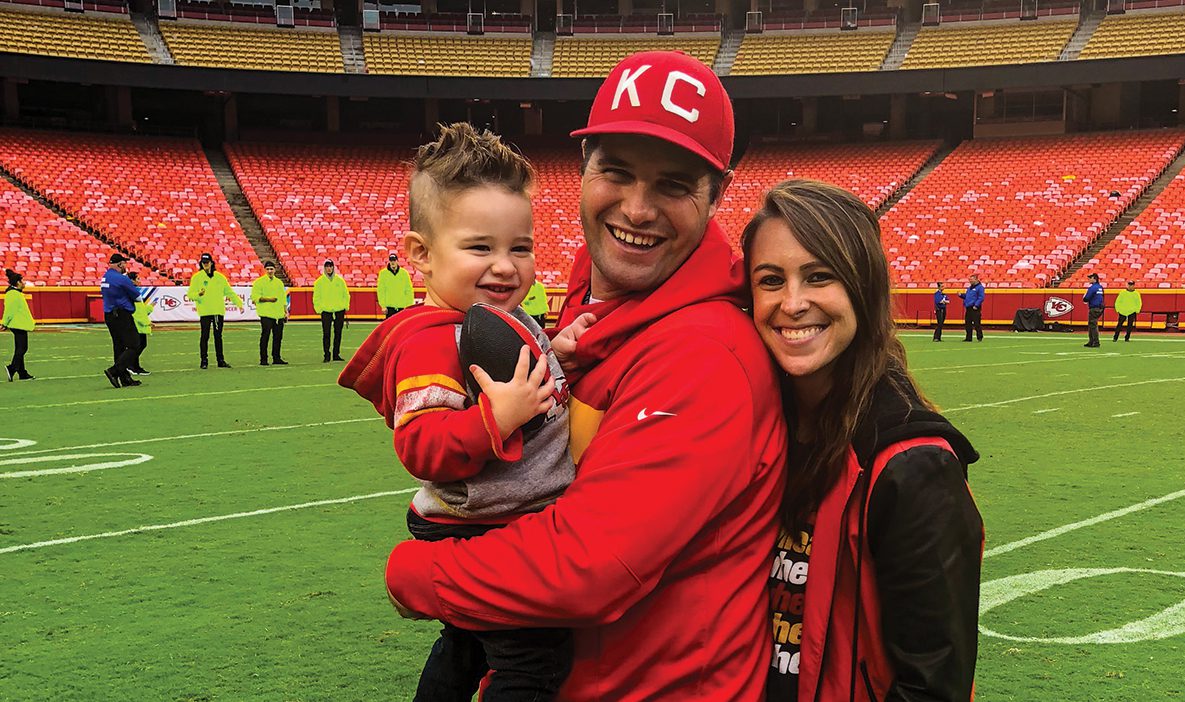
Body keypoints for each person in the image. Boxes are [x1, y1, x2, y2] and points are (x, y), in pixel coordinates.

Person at [382, 51, 787, 700]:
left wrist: (419, 573)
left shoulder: (707, 354)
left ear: (720, 193)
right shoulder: (586, 301)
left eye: (674, 185)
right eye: (616, 172)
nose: (637, 207)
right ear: (582, 168)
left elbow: (593, 563)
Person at [340, 123, 576, 702]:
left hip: (490, 520)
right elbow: (419, 445)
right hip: (480, 524)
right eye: (480, 247)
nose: (505, 266)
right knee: (532, 659)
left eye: (520, 247)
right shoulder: (426, 341)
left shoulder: (492, 316)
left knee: (468, 640)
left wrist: (557, 348)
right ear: (420, 253)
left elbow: (513, 358)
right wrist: (497, 420)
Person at [743, 180, 983, 702]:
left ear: (863, 287)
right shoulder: (759, 425)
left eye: (819, 276)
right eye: (770, 280)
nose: (793, 302)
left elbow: (933, 687)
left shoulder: (914, 466)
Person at [189, 252, 241, 369]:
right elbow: (191, 294)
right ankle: (204, 360)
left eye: (207, 262)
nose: (205, 264)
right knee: (204, 336)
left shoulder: (220, 277)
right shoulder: (197, 278)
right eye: (203, 263)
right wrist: (199, 294)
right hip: (205, 311)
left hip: (217, 311)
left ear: (212, 263)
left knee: (218, 336)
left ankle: (220, 360)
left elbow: (229, 292)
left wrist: (239, 303)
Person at [100, 253, 142, 388]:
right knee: (134, 344)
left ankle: (124, 378)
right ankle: (115, 371)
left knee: (119, 346)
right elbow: (136, 295)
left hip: (109, 314)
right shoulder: (121, 279)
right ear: (119, 264)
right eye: (124, 263)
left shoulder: (106, 277)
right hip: (121, 314)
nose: (126, 266)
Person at [252, 260, 289, 365]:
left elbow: (283, 299)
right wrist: (269, 299)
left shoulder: (279, 282)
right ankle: (263, 359)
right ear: (265, 270)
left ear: (275, 270)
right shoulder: (259, 282)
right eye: (268, 269)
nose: (269, 271)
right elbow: (255, 297)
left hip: (278, 314)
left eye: (271, 269)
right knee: (265, 336)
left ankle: (276, 357)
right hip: (266, 314)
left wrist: (285, 311)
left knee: (278, 337)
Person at [2, 268, 35, 381]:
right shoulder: (13, 294)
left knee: (20, 348)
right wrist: (4, 323)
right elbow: (9, 310)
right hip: (18, 324)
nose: (24, 283)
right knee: (22, 348)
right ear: (17, 283)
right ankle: (12, 368)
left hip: (18, 324)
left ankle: (22, 373)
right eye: (22, 281)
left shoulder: (14, 293)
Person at [313, 259, 349, 362]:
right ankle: (326, 354)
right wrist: (319, 309)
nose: (329, 268)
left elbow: (345, 294)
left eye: (330, 266)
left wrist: (345, 306)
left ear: (333, 267)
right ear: (324, 268)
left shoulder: (340, 281)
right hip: (326, 310)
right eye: (327, 266)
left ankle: (336, 354)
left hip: (339, 310)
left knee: (338, 333)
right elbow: (316, 297)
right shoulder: (319, 282)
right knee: (326, 333)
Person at [127, 271, 152, 376]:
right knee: (138, 345)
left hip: (138, 323)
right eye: (137, 279)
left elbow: (140, 309)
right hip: (137, 324)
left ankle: (134, 365)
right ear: (132, 280)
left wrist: (149, 308)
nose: (139, 281)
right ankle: (131, 365)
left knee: (139, 345)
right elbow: (137, 311)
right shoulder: (132, 292)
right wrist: (146, 322)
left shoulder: (133, 291)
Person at [376, 252, 414, 319]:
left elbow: (409, 290)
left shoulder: (404, 273)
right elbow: (381, 291)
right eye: (391, 260)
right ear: (389, 261)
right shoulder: (383, 274)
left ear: (397, 261)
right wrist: (383, 305)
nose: (392, 262)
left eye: (394, 260)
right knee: (391, 328)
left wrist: (409, 305)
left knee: (402, 327)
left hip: (402, 306)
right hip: (389, 307)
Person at [957, 274, 984, 342]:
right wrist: (961, 295)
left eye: (971, 279)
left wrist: (976, 305)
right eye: (970, 280)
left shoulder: (980, 287)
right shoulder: (969, 288)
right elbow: (967, 296)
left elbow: (981, 297)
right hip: (968, 307)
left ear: (976, 279)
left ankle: (979, 337)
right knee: (968, 323)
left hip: (975, 307)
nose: (970, 281)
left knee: (976, 323)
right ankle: (968, 337)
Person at [1083, 272, 1105, 348]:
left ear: (1094, 279)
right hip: (1100, 307)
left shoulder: (1092, 287)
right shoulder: (1100, 287)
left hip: (1094, 307)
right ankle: (1092, 341)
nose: (1089, 279)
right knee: (1093, 324)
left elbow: (1086, 298)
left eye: (1090, 278)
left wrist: (1085, 299)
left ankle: (1095, 341)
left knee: (1092, 325)